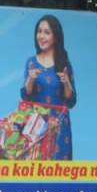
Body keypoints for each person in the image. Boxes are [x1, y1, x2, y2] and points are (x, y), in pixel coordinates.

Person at [20, 14, 76, 160]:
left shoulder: (64, 64)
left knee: (59, 174)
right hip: (36, 126)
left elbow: (71, 101)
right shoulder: (31, 62)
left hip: (59, 127)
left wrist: (66, 83)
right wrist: (31, 79)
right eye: (39, 31)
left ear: (55, 37)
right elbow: (26, 96)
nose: (41, 36)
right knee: (34, 170)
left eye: (47, 32)